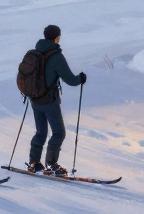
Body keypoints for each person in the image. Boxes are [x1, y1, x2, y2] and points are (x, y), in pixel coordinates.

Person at [26, 24, 86, 174]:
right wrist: (81, 78)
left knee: (41, 132)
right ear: (57, 38)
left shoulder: (35, 52)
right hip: (49, 101)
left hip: (34, 99)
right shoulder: (56, 56)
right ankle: (51, 165)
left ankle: (33, 163)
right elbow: (71, 80)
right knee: (59, 133)